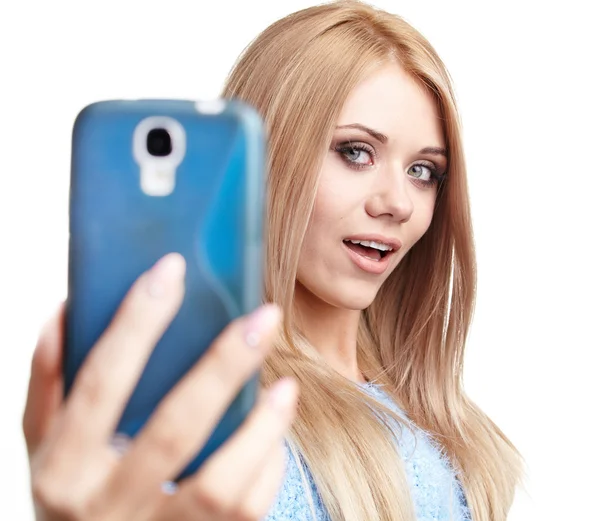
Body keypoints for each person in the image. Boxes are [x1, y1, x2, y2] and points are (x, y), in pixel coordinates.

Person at [22, 1, 522, 520]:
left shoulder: (447, 423)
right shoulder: (213, 430)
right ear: (267, 156)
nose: (397, 202)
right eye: (355, 152)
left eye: (423, 170)